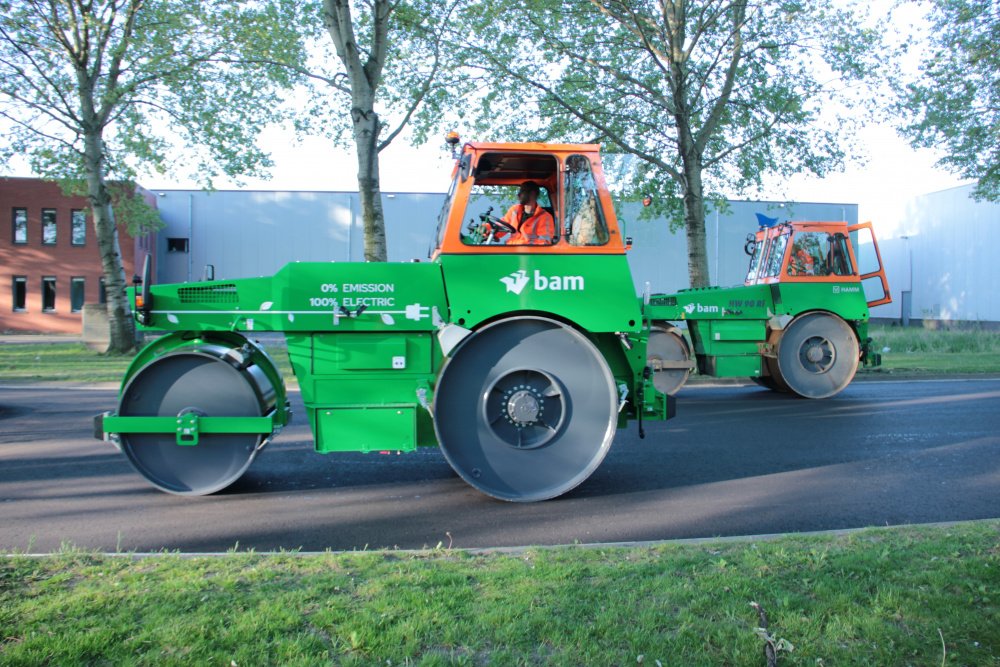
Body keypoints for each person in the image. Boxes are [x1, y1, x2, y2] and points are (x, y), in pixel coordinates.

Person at [486, 181, 555, 246]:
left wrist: (520, 243)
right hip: (512, 252)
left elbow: (545, 243)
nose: (518, 195)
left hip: (531, 256)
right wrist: (486, 228)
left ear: (532, 194)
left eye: (522, 191)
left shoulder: (545, 217)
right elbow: (502, 226)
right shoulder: (514, 210)